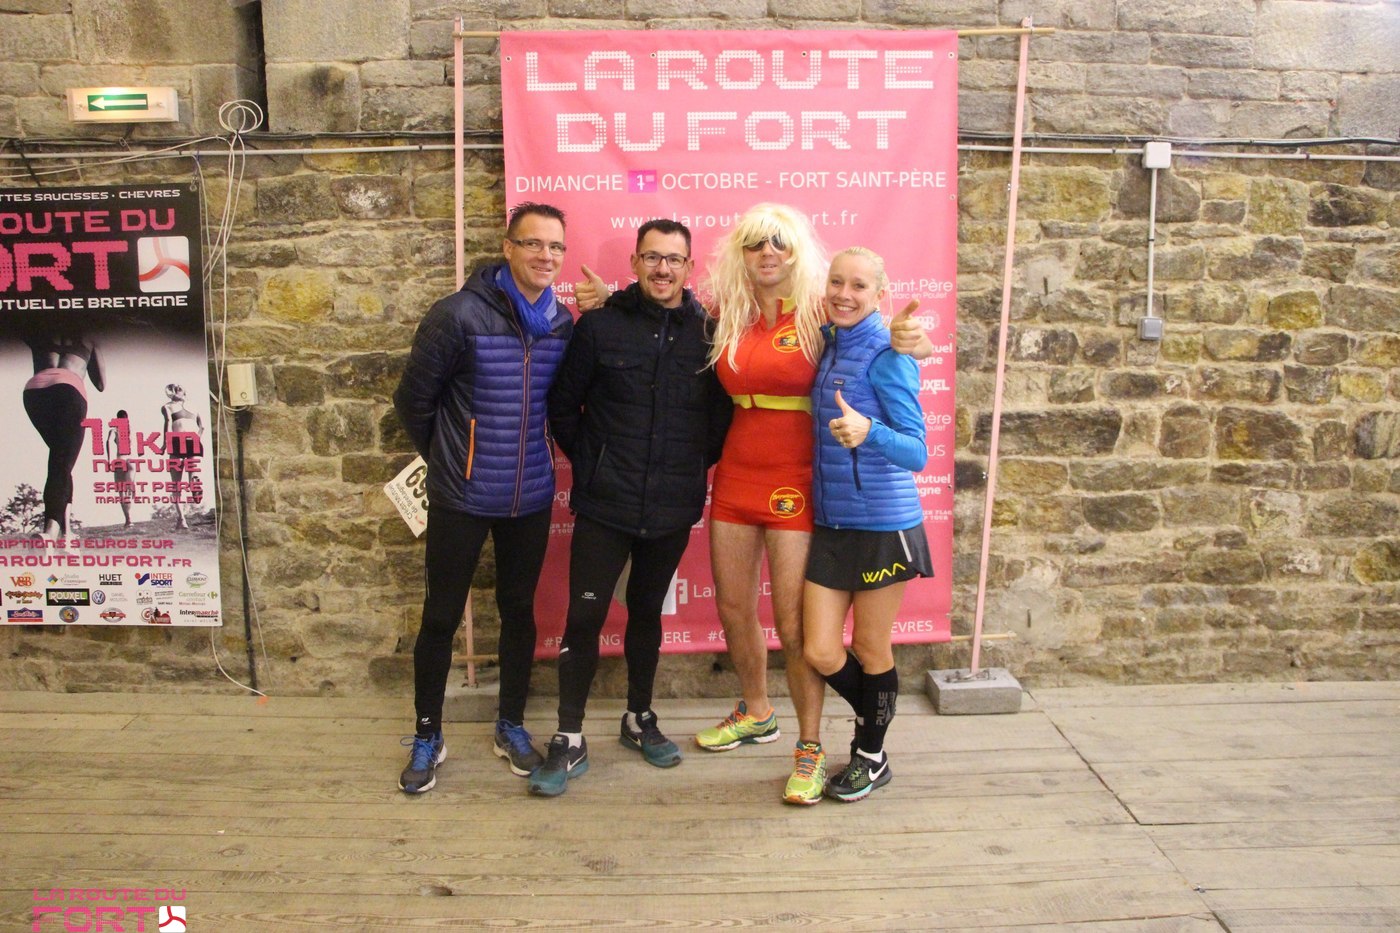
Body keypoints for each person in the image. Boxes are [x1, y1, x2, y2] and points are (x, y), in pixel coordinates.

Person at [528, 219, 732, 797]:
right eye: (652, 257)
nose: (662, 269)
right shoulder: (599, 327)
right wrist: (595, 463)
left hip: (671, 508)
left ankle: (639, 717)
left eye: (674, 259)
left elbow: (718, 423)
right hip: (605, 504)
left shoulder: (710, 335)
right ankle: (569, 735)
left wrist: (685, 468)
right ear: (636, 263)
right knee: (584, 618)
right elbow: (563, 407)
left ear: (689, 268)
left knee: (646, 613)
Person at [392, 202, 574, 794]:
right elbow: (412, 401)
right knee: (441, 616)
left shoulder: (562, 322)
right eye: (534, 243)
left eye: (555, 247)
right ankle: (427, 734)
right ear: (508, 247)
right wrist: (450, 458)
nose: (545, 255)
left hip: (531, 495)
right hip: (462, 494)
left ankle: (511, 725)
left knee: (519, 612)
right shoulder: (456, 315)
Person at [803, 247, 931, 802]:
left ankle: (871, 755)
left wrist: (869, 431)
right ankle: (878, 714)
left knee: (872, 648)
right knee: (820, 650)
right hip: (833, 523)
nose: (844, 294)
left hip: (883, 525)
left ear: (880, 294)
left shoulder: (888, 354)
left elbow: (918, 452)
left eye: (858, 286)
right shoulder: (829, 342)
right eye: (836, 282)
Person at [22, 326, 105, 541]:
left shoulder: (40, 331)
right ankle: (50, 533)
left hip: (35, 391)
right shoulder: (89, 337)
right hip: (69, 390)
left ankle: (67, 532)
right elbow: (101, 384)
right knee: (61, 463)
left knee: (62, 461)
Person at [160, 384, 205, 530]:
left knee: (176, 484)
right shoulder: (194, 406)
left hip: (176, 442)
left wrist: (164, 444)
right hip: (193, 440)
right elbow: (202, 426)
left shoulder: (167, 406)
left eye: (177, 389)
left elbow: (168, 423)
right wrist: (196, 439)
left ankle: (182, 519)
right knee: (192, 473)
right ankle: (194, 483)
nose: (175, 390)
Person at [105, 410, 134, 529]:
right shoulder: (129, 429)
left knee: (122, 491)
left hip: (120, 460)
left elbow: (108, 442)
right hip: (131, 460)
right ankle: (129, 517)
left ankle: (128, 519)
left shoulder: (114, 430)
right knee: (129, 489)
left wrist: (109, 460)